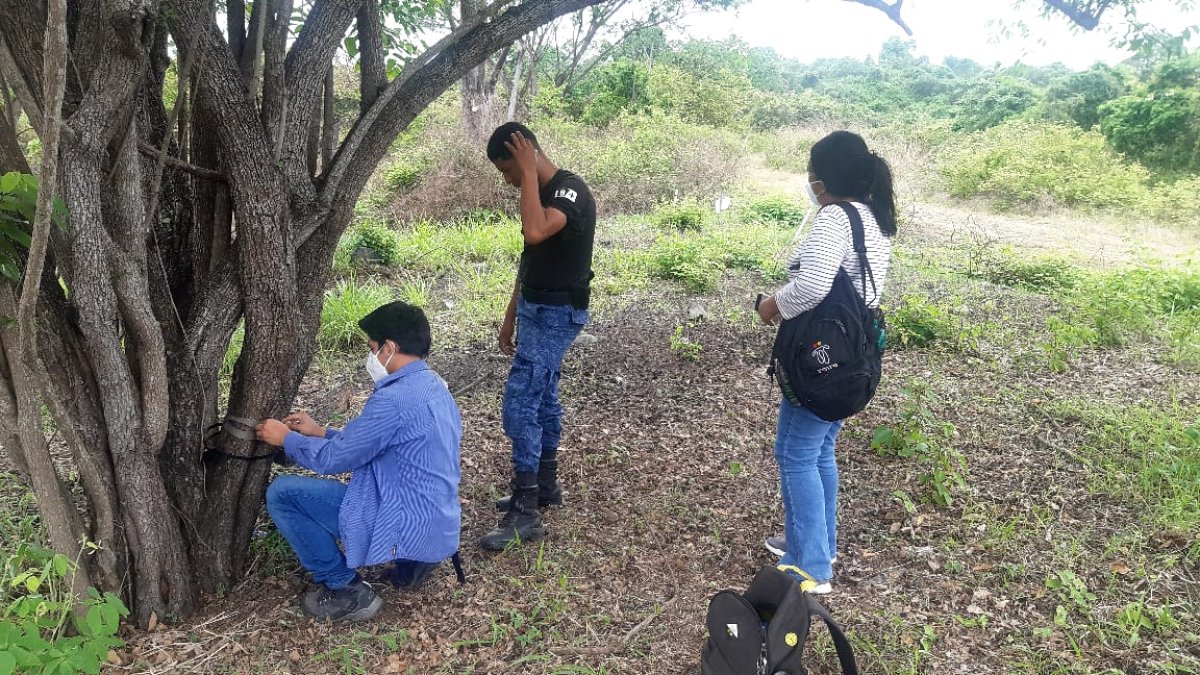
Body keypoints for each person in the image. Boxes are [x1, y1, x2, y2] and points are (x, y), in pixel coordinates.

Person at [255, 302, 463, 621]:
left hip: (404, 519)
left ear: (390, 347)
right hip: (436, 519)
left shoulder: (393, 400)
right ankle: (415, 557)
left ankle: (345, 589)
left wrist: (286, 439)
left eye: (373, 348)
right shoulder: (433, 385)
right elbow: (378, 443)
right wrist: (320, 431)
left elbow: (334, 460)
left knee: (282, 494)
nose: (372, 358)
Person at [755, 131, 896, 594]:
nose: (809, 180)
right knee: (817, 450)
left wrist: (771, 305)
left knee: (795, 453)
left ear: (826, 176)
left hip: (822, 359)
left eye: (812, 171)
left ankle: (812, 566)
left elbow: (814, 286)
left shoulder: (836, 217)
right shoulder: (871, 216)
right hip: (853, 354)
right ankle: (814, 543)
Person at [479, 122, 596, 551]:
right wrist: (510, 316)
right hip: (534, 309)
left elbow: (535, 231)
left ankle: (525, 510)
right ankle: (544, 486)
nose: (509, 181)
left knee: (520, 403)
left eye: (507, 170)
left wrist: (529, 173)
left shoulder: (570, 191)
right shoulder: (538, 195)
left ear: (523, 153)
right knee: (543, 398)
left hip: (556, 314)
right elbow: (529, 259)